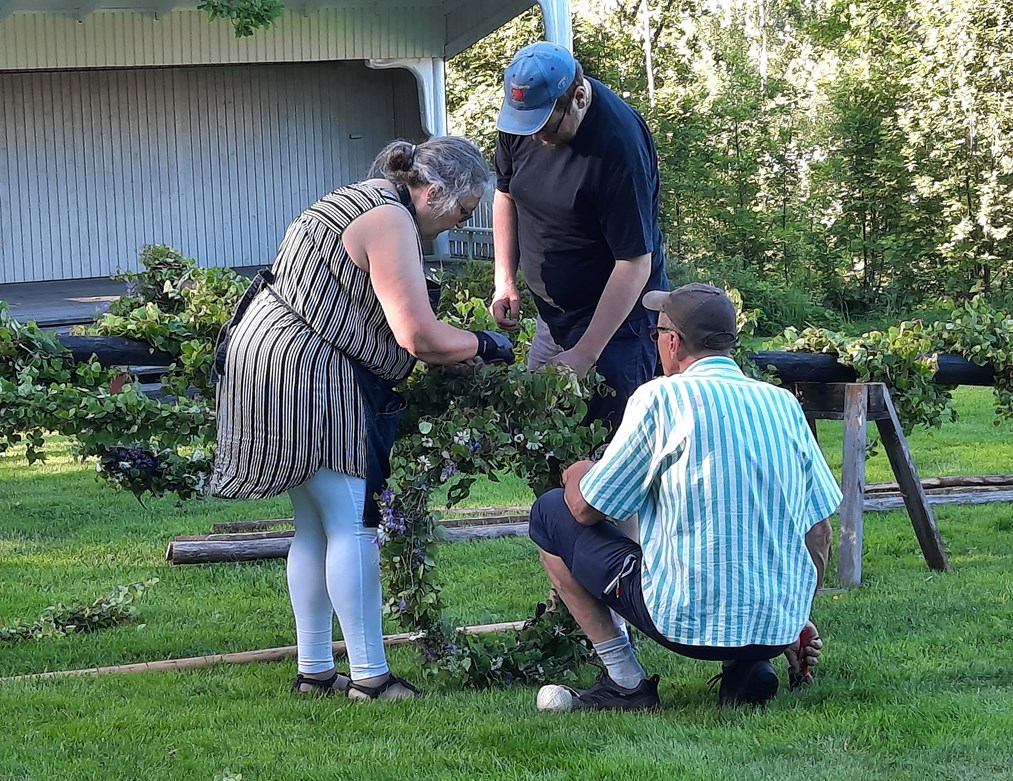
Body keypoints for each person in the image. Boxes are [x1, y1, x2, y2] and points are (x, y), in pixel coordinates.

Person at [210, 137, 514, 701]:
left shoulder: (355, 198)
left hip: (263, 361)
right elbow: (418, 335)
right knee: (354, 524)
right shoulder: (391, 219)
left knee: (314, 524)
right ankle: (371, 678)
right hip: (312, 374)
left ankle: (315, 672)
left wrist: (449, 351)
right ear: (432, 191)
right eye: (463, 210)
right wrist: (487, 344)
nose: (459, 224)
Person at [528, 282, 842, 710]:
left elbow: (586, 509)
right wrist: (795, 616)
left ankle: (625, 681)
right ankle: (749, 664)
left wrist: (578, 473)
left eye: (657, 332)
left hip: (683, 623)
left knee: (550, 511)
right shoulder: (783, 404)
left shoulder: (660, 397)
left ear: (673, 341)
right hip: (777, 627)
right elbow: (819, 532)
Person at [492, 41, 670, 435]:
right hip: (552, 316)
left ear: (578, 98)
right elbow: (505, 194)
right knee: (542, 433)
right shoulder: (524, 120)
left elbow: (634, 263)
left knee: (607, 445)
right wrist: (504, 279)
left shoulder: (620, 149)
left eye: (547, 127)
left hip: (617, 325)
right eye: (528, 127)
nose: (537, 137)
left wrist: (585, 353)